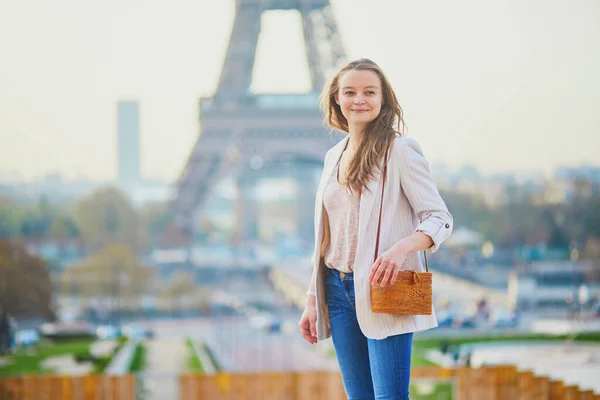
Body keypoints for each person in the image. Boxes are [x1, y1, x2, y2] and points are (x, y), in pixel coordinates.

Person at [298, 58, 453, 399]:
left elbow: (439, 218)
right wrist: (312, 298)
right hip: (336, 290)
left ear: (383, 99)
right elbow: (326, 238)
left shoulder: (400, 150)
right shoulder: (332, 157)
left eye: (370, 92)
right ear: (337, 99)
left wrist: (400, 250)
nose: (360, 100)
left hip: (384, 286)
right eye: (350, 92)